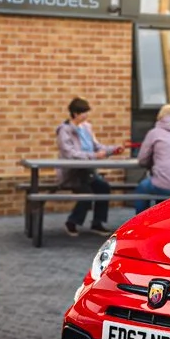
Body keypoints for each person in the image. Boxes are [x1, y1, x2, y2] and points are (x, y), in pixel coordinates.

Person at [57, 96, 117, 236]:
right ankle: (72, 222)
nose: (87, 115)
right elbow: (70, 153)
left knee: (103, 188)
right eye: (84, 112)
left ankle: (97, 223)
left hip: (88, 171)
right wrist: (94, 156)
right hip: (73, 173)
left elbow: (97, 146)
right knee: (87, 193)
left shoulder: (87, 128)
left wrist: (112, 150)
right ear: (75, 113)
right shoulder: (64, 130)